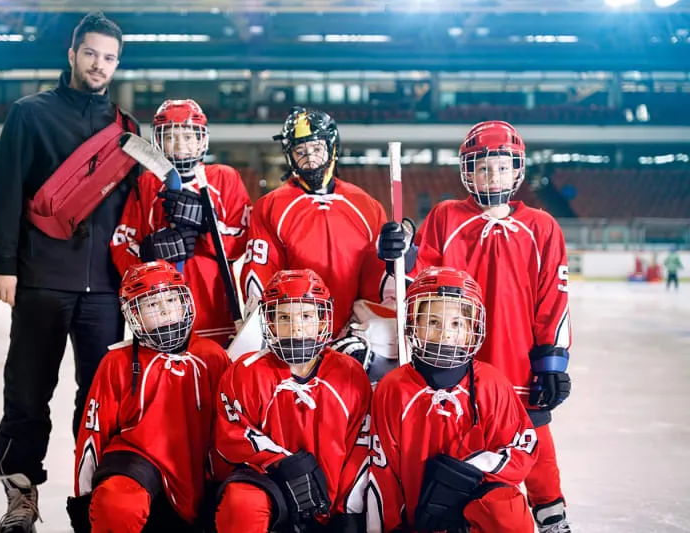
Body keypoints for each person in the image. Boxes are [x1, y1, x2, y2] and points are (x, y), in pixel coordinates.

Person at [0, 12, 139, 532]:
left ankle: (92, 492)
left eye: (109, 57)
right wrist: (3, 264)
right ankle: (21, 496)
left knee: (100, 399)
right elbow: (6, 190)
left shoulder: (128, 131)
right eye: (91, 53)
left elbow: (136, 209)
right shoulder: (29, 114)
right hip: (43, 278)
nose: (99, 65)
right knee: (28, 391)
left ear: (118, 64)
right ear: (72, 54)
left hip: (106, 287)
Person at [378, 120, 572, 532]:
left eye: (501, 167)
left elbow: (552, 301)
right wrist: (400, 255)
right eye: (483, 168)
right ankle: (459, 511)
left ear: (518, 170)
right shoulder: (447, 216)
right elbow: (422, 277)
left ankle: (551, 513)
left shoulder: (542, 227)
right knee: (463, 436)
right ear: (467, 172)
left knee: (534, 438)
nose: (493, 176)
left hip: (517, 357)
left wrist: (552, 363)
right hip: (456, 354)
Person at [365, 266, 538, 533]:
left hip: (473, 512)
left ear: (472, 329)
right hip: (418, 520)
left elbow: (522, 448)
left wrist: (456, 479)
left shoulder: (491, 383)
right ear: (414, 323)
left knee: (508, 510)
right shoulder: (393, 388)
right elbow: (382, 471)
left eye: (457, 323)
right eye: (433, 322)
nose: (445, 333)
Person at [66, 260, 230, 533]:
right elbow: (92, 436)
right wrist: (85, 503)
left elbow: (228, 428)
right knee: (116, 504)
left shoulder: (213, 356)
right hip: (136, 463)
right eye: (152, 305)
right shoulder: (116, 362)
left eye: (171, 300)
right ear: (134, 314)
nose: (165, 311)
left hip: (198, 472)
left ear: (185, 302)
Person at [214, 269, 372, 533]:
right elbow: (234, 435)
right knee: (241, 503)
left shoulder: (350, 374)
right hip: (270, 482)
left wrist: (346, 508)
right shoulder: (245, 372)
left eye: (306, 316)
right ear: (270, 323)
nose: (296, 327)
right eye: (284, 317)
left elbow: (360, 443)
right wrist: (287, 465)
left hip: (330, 496)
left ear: (323, 320)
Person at [239, 107, 390, 342]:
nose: (309, 158)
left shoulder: (366, 205)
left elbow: (377, 279)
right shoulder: (270, 206)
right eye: (300, 150)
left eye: (317, 148)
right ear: (289, 155)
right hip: (296, 334)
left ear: (333, 147)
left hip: (354, 335)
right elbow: (260, 278)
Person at [111, 98, 252, 346]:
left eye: (188, 136)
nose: (179, 145)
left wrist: (206, 226)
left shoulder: (224, 178)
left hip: (214, 301)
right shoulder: (146, 184)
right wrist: (148, 253)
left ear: (201, 139)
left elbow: (243, 240)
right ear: (158, 141)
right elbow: (123, 242)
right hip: (160, 304)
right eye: (170, 137)